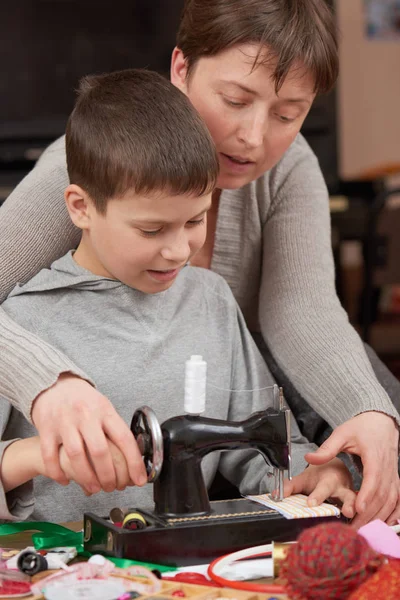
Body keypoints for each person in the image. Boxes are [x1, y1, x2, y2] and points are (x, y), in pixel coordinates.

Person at [0, 0, 398, 526]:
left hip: (242, 376)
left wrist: (368, 415)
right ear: (181, 69)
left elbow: (302, 312)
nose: (255, 137)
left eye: (287, 114)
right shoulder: (88, 167)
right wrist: (46, 382)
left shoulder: (282, 182)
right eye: (236, 99)